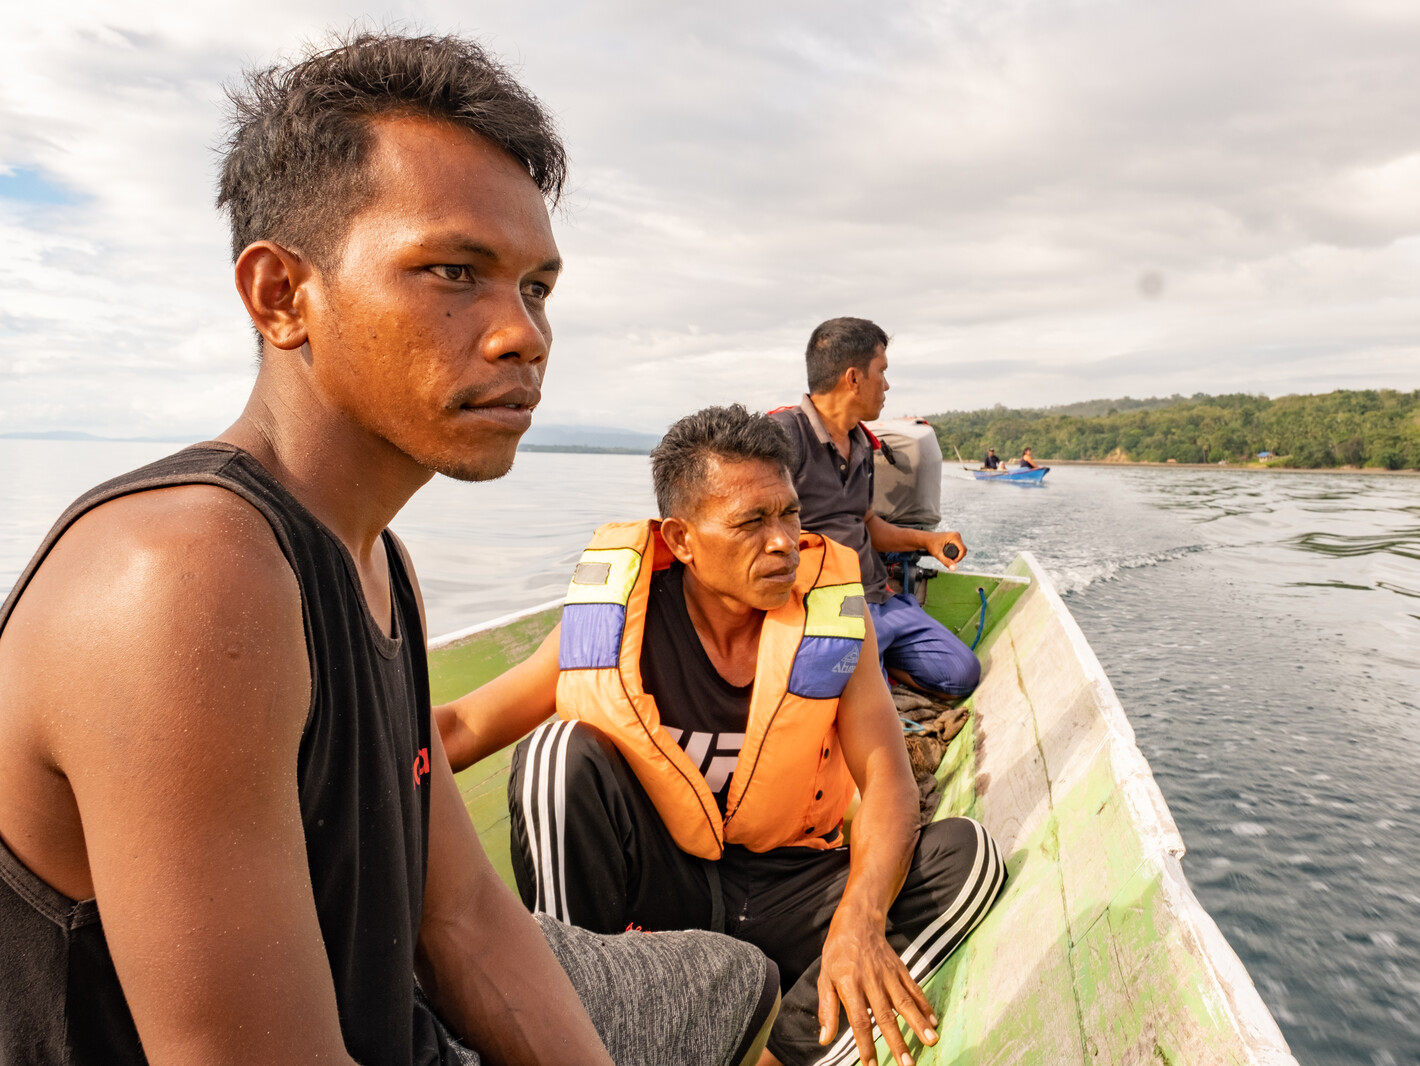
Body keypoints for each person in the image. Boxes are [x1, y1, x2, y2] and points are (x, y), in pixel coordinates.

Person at [0, 33, 775, 1066]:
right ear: (282, 295)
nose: (522, 335)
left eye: (536, 287)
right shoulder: (187, 577)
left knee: (733, 976)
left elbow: (457, 915)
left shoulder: (374, 559)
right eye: (454, 271)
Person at [435, 405, 1006, 1066]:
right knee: (553, 758)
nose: (783, 542)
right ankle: (584, 1019)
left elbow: (886, 778)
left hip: (785, 883)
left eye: (789, 513)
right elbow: (460, 727)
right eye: (751, 523)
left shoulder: (830, 624)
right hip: (655, 893)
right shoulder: (618, 621)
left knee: (967, 859)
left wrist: (861, 917)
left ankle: (785, 1052)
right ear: (680, 539)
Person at [770, 318, 982, 700]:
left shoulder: (863, 444)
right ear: (853, 379)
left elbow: (865, 521)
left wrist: (929, 540)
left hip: (878, 597)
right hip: (822, 606)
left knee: (962, 674)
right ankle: (874, 673)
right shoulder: (784, 437)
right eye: (881, 372)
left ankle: (883, 661)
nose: (886, 385)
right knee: (863, 699)